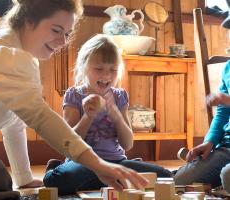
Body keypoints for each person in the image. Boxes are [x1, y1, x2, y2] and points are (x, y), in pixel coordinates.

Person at [0, 0, 148, 191]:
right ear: (29, 21)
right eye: (56, 30)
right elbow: (41, 118)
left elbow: (16, 120)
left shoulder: (18, 51)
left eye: (67, 34)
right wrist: (98, 165)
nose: (63, 42)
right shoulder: (6, 56)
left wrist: (24, 179)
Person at [43, 34, 172, 195]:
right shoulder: (74, 95)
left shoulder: (119, 96)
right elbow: (68, 144)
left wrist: (116, 115)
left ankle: (108, 178)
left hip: (116, 162)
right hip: (84, 164)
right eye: (99, 69)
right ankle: (57, 167)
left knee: (166, 176)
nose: (106, 76)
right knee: (58, 181)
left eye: (113, 70)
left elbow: (127, 144)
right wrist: (88, 116)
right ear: (84, 67)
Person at [174, 61, 230, 193]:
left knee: (227, 175)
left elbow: (226, 101)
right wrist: (209, 141)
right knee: (180, 181)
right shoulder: (228, 67)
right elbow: (222, 113)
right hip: (227, 147)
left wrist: (227, 100)